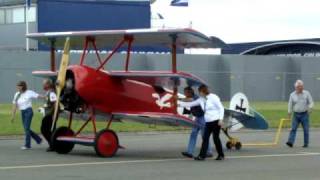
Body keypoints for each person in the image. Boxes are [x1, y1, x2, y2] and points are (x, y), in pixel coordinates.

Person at [178, 84, 225, 161]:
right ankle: (202, 156)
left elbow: (221, 108)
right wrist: (178, 104)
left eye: (199, 92)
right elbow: (190, 104)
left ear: (203, 91)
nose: (199, 93)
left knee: (215, 138)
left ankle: (221, 155)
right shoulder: (201, 99)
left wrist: (221, 119)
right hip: (208, 122)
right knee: (205, 138)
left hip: (216, 121)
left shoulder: (213, 97)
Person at [180, 87, 213, 158]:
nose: (184, 94)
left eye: (185, 92)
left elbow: (190, 100)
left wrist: (177, 99)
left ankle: (209, 152)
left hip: (203, 118)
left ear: (189, 92)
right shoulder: (193, 99)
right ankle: (190, 152)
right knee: (193, 134)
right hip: (198, 118)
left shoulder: (196, 97)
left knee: (204, 135)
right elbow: (192, 112)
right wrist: (188, 121)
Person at [11, 81, 43, 150]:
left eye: (19, 86)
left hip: (29, 111)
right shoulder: (17, 94)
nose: (18, 87)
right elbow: (14, 105)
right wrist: (13, 115)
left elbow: (38, 96)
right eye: (17, 86)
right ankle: (39, 139)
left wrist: (47, 97)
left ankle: (27, 145)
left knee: (26, 128)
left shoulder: (29, 92)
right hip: (22, 112)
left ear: (23, 86)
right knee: (27, 128)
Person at [286, 80, 314, 148]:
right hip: (296, 114)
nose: (300, 88)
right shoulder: (292, 95)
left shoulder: (307, 93)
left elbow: (311, 102)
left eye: (301, 86)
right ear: (296, 87)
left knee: (306, 129)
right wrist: (289, 113)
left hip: (304, 114)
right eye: (298, 87)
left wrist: (310, 108)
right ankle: (290, 142)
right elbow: (290, 104)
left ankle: (306, 143)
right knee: (293, 128)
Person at [40, 79, 57, 152]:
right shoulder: (47, 92)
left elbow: (55, 103)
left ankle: (53, 145)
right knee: (46, 130)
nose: (43, 85)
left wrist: (54, 114)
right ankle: (52, 145)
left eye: (44, 84)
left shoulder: (52, 93)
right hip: (47, 114)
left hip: (50, 115)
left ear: (48, 84)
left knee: (45, 130)